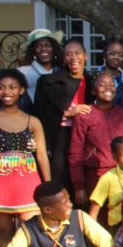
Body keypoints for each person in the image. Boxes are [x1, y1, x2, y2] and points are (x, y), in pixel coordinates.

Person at [0, 69, 50, 247]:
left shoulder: (33, 121)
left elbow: (42, 156)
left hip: (28, 181)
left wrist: (48, 186)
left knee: (30, 229)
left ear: (21, 90)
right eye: (1, 88)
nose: (6, 92)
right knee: (4, 231)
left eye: (12, 87)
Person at [68, 71, 123, 204]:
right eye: (102, 85)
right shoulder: (84, 115)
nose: (108, 88)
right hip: (95, 177)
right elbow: (75, 153)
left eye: (111, 84)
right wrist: (79, 186)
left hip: (121, 175)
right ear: (93, 90)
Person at [33, 37, 90, 187]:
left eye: (77, 53)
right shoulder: (48, 82)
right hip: (58, 142)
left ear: (86, 55)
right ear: (63, 58)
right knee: (59, 184)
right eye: (68, 54)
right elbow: (39, 114)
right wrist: (68, 113)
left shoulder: (92, 83)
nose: (73, 58)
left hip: (84, 142)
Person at [17, 28, 64, 100]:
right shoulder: (22, 72)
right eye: (38, 46)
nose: (43, 49)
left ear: (54, 48)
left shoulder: (61, 71)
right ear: (33, 50)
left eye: (47, 45)